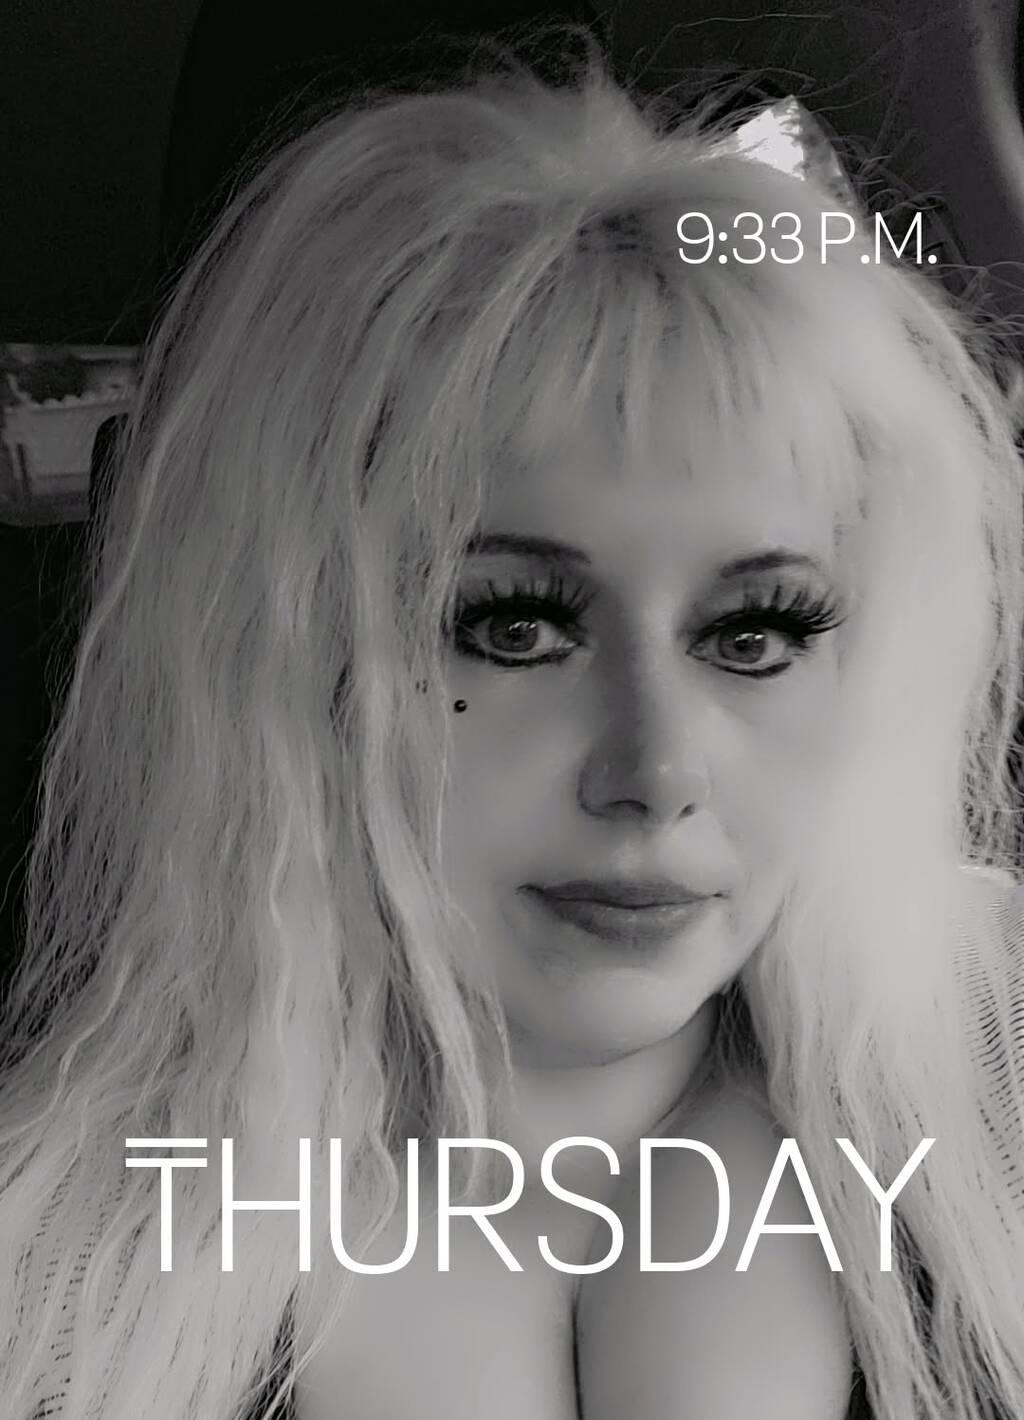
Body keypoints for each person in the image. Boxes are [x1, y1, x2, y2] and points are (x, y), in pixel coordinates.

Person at [2, 31, 1023, 1420]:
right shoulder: (57, 1289)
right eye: (516, 627)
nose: (655, 773)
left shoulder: (992, 1078)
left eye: (754, 633)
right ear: (290, 660)